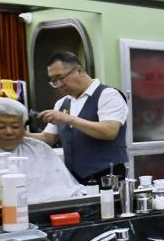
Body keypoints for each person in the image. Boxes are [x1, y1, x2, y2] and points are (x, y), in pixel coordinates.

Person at [31, 52, 129, 184]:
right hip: (74, 179)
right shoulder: (62, 103)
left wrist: (68, 119)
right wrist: (20, 134)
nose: (59, 84)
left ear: (79, 71)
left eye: (60, 78)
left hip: (107, 176)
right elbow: (48, 138)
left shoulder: (108, 95)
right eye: (54, 81)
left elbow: (109, 131)